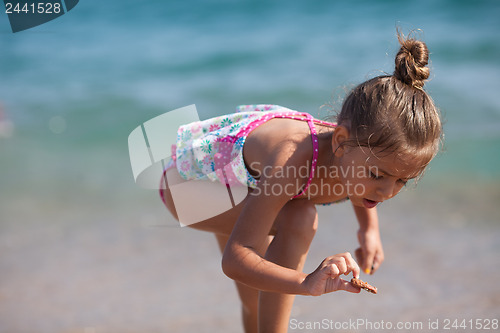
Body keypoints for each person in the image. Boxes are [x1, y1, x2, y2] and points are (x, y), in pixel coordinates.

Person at [159, 32, 442, 333]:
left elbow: (365, 186)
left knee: (257, 301)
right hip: (190, 186)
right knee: (299, 217)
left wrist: (369, 229)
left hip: (244, 183)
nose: (387, 192)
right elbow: (235, 259)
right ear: (340, 142)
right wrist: (306, 283)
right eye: (378, 176)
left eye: (403, 181)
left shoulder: (355, 151)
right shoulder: (293, 163)